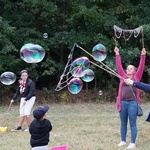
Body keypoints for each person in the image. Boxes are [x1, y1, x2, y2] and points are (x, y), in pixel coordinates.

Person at [114, 46, 146, 149]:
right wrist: (117, 54)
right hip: (122, 103)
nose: (128, 70)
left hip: (132, 103)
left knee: (132, 123)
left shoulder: (136, 77)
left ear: (134, 71)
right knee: (123, 123)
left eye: (131, 69)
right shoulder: (122, 76)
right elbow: (119, 66)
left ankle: (132, 142)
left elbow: (141, 67)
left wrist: (143, 55)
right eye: (127, 68)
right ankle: (123, 141)